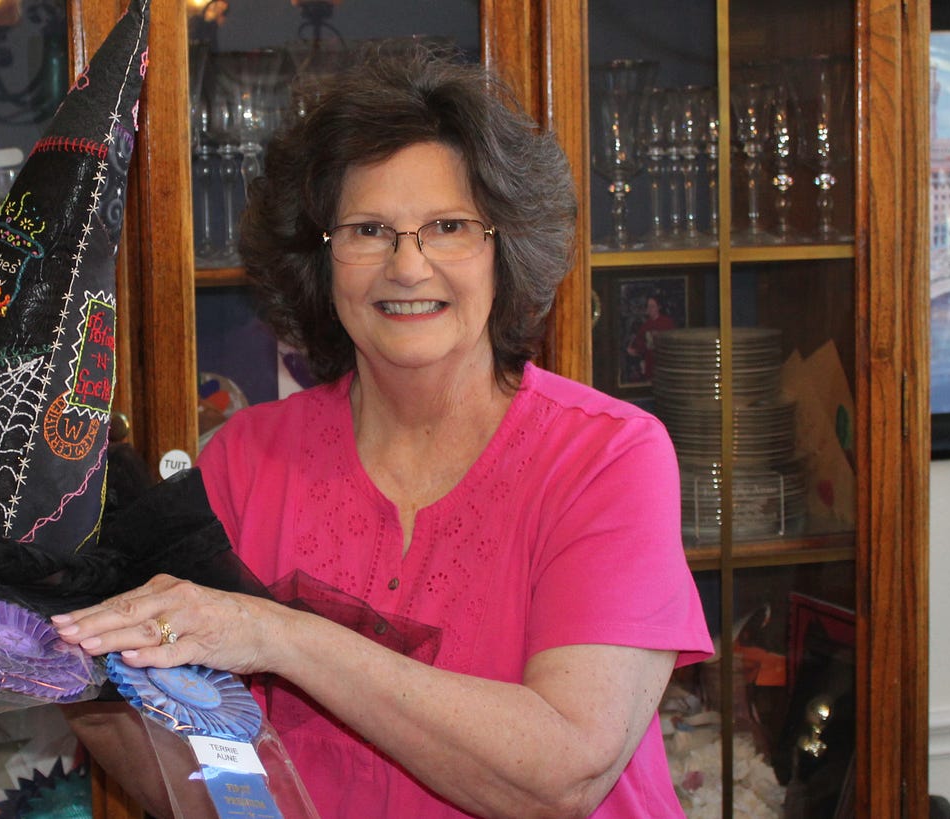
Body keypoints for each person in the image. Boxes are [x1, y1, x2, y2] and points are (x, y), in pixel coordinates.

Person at [54, 43, 712, 818]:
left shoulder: (608, 457)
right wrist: (66, 660)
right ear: (319, 258)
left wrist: (278, 636)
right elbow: (210, 790)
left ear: (505, 248)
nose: (408, 266)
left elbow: (564, 772)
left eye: (448, 225)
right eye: (368, 229)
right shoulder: (246, 460)